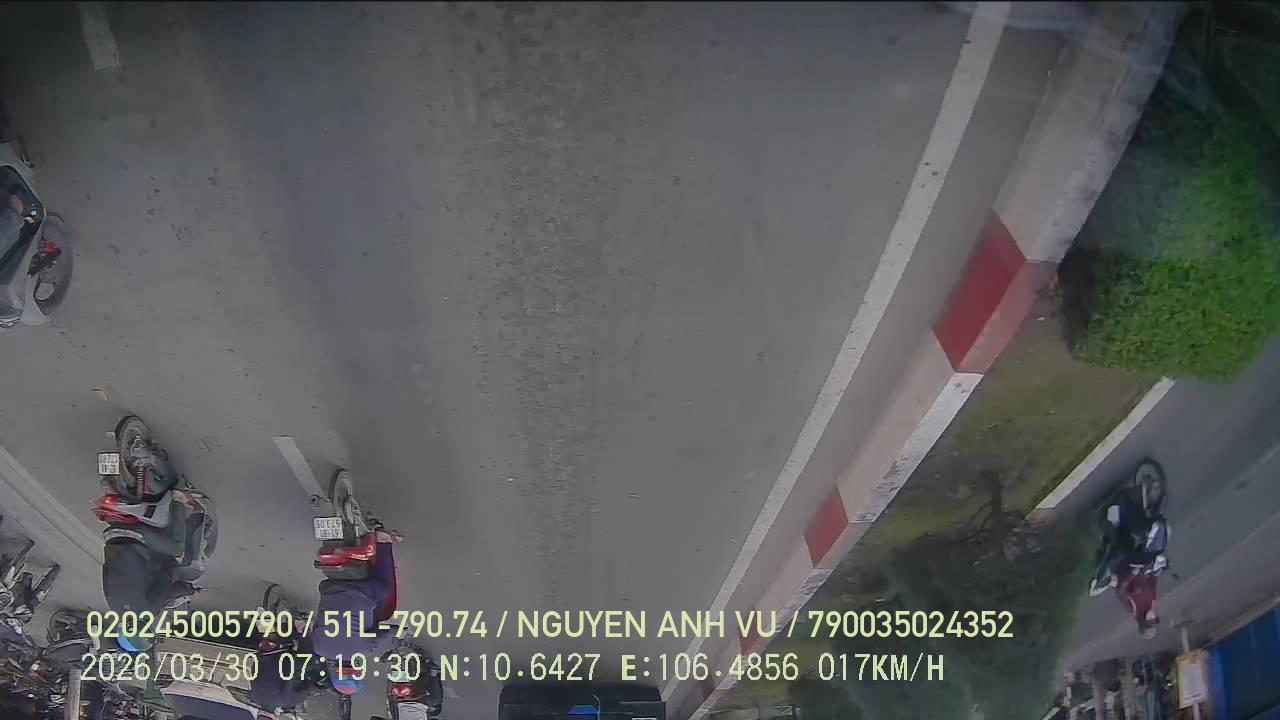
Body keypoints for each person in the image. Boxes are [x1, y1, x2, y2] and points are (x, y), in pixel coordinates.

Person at [310, 526, 402, 697]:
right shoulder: (319, 649)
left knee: (384, 587)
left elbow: (388, 631)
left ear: (357, 670)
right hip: (330, 587)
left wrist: (400, 629)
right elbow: (315, 625)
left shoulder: (364, 649)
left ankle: (383, 541)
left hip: (362, 590)